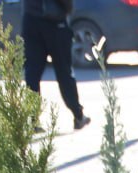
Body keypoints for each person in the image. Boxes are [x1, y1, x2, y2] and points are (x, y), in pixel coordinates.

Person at [22, 0, 90, 131]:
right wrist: (68, 9)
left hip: (31, 18)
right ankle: (78, 115)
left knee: (33, 72)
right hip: (54, 20)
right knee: (64, 71)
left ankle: (33, 120)